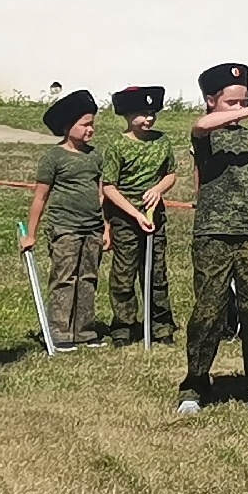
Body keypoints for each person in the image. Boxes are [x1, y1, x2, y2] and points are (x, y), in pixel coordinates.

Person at [179, 62, 248, 415]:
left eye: (246, 101)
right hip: (212, 233)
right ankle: (195, 384)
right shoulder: (206, 134)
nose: (241, 109)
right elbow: (200, 124)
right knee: (208, 311)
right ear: (211, 100)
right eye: (232, 103)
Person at [21, 90, 144, 349]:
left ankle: (85, 330)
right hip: (64, 227)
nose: (91, 129)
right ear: (68, 127)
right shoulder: (54, 158)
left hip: (92, 228)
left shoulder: (96, 156)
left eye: (92, 124)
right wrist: (30, 234)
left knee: (88, 277)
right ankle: (60, 331)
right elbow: (40, 198)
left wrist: (106, 227)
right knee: (65, 277)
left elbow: (103, 194)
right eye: (85, 124)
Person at [102, 86, 178, 344]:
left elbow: (171, 174)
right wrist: (134, 214)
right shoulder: (117, 146)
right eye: (142, 114)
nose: (149, 119)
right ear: (126, 115)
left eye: (152, 113)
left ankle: (161, 326)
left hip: (154, 217)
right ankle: (123, 327)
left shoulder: (162, 141)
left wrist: (158, 189)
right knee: (124, 276)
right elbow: (109, 186)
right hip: (126, 218)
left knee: (156, 274)